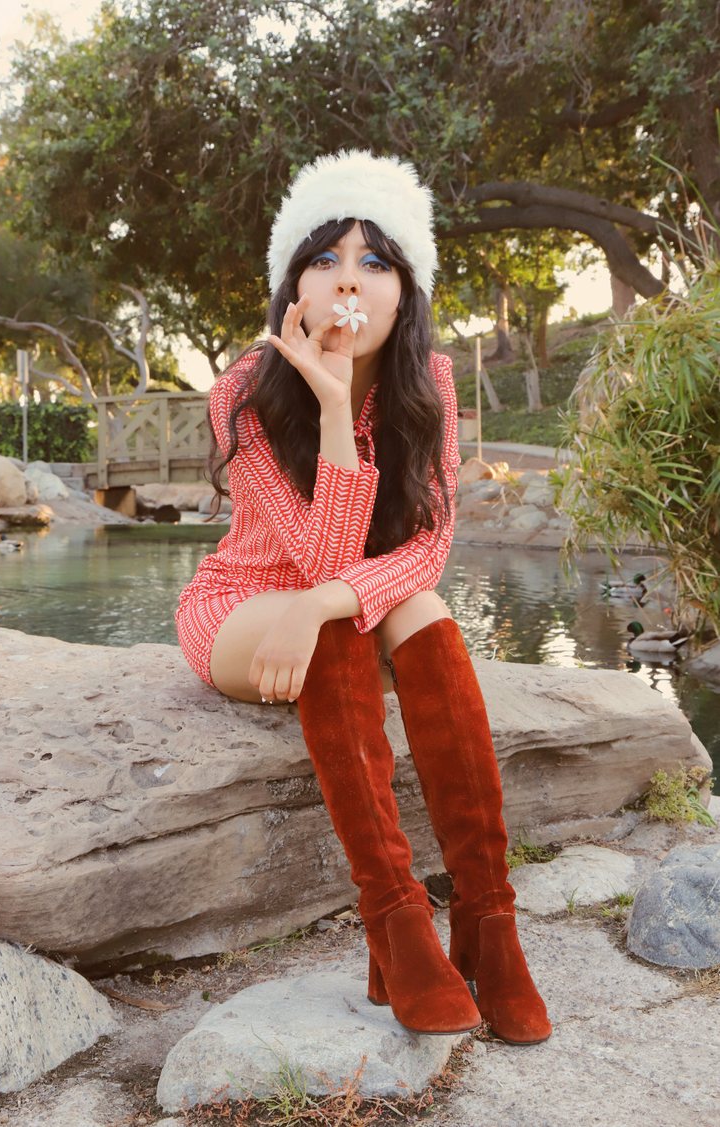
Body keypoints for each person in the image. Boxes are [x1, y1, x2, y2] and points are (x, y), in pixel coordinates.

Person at [175, 149, 552, 1044]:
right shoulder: (244, 388)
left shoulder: (434, 380)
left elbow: (430, 548)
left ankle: (489, 922)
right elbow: (311, 558)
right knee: (346, 624)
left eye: (374, 261)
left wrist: (324, 601)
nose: (350, 281)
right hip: (244, 603)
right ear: (292, 284)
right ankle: (393, 915)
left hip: (347, 600)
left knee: (425, 614)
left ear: (406, 285)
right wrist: (334, 405)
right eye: (327, 258)